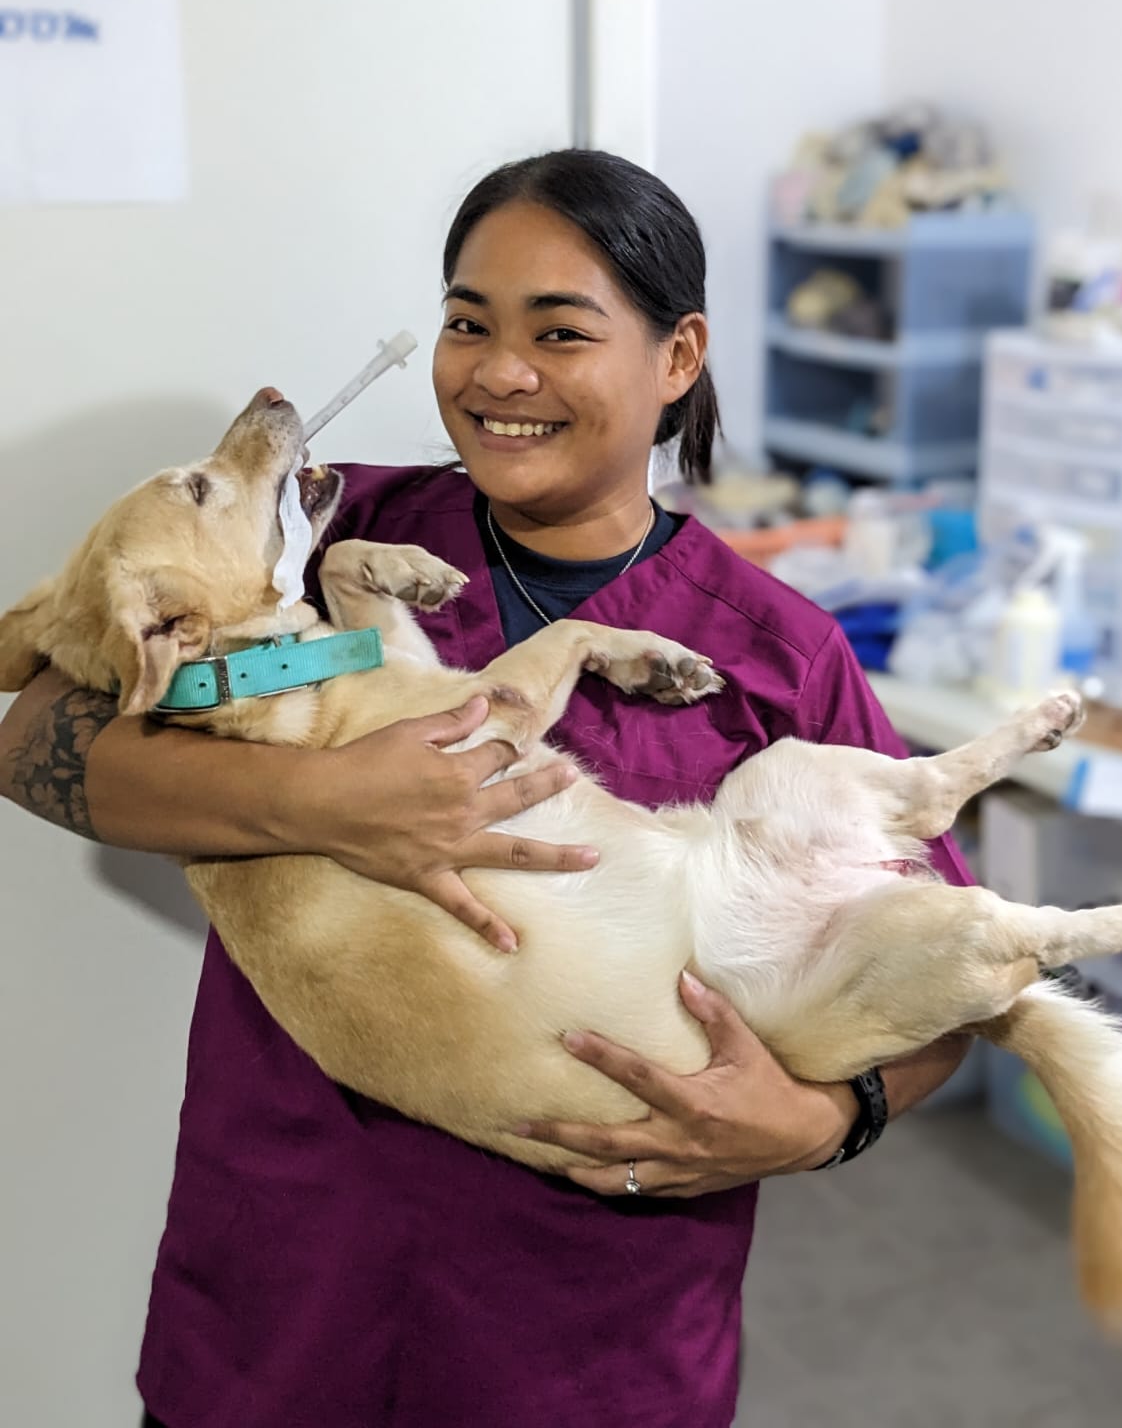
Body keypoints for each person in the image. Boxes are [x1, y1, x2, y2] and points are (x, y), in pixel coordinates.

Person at [0, 150, 971, 1428]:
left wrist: (815, 1122)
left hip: (585, 1325)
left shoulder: (779, 655)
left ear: (677, 358)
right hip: (286, 1290)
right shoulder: (329, 547)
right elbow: (33, 735)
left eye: (558, 332)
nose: (499, 373)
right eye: (468, 324)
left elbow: (942, 980)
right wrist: (324, 802)